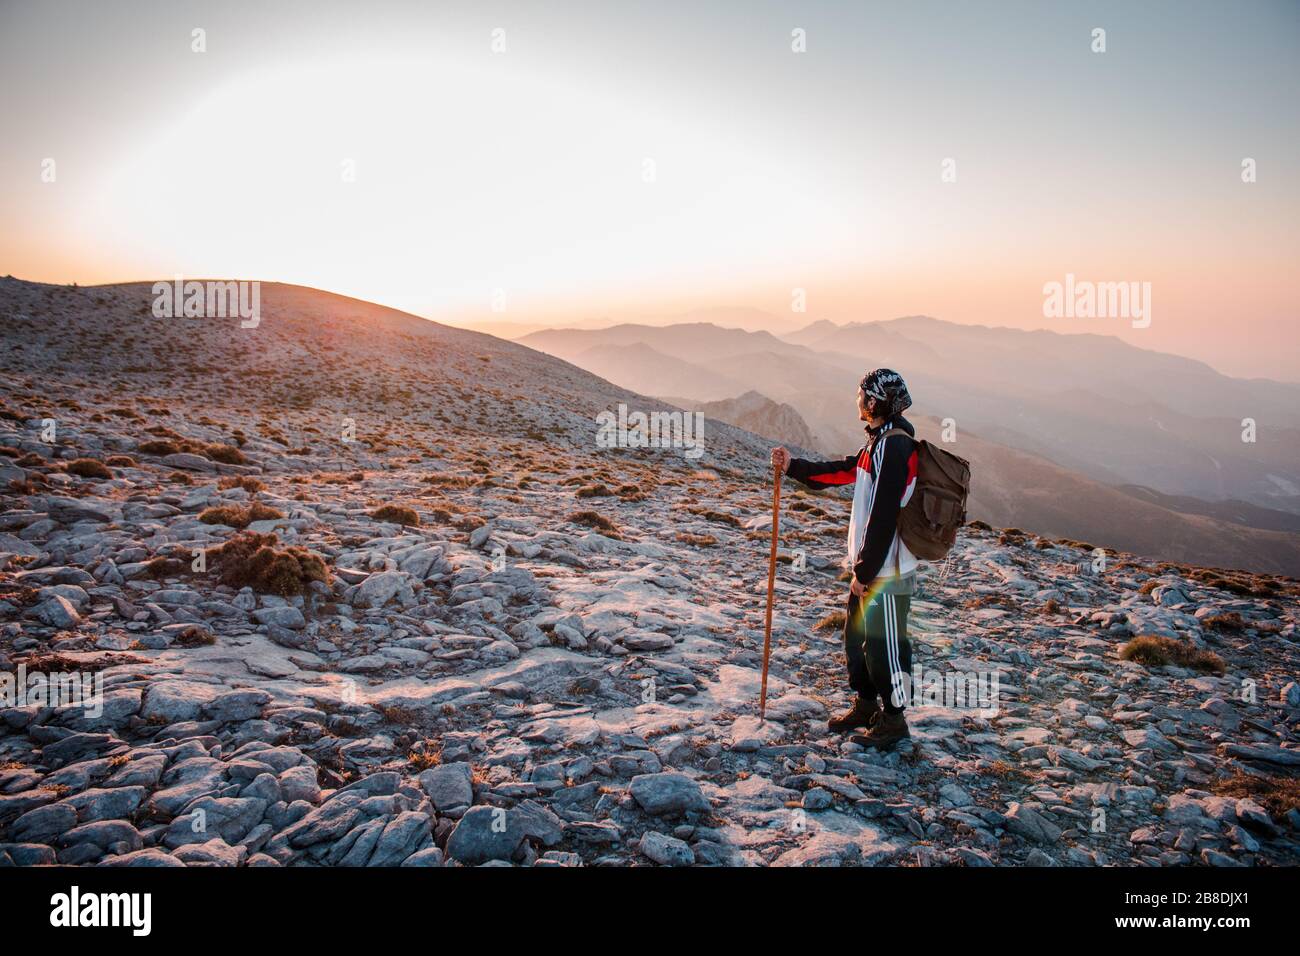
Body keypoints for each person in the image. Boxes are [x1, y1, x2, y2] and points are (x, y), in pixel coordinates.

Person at [770, 368, 918, 749]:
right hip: (872, 568)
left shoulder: (894, 447)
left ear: (874, 402)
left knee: (885, 645)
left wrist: (866, 571)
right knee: (857, 639)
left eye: (862, 396)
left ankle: (893, 720)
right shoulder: (879, 444)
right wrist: (794, 467)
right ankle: (867, 705)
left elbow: (884, 514)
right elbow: (841, 472)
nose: (857, 402)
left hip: (887, 571)